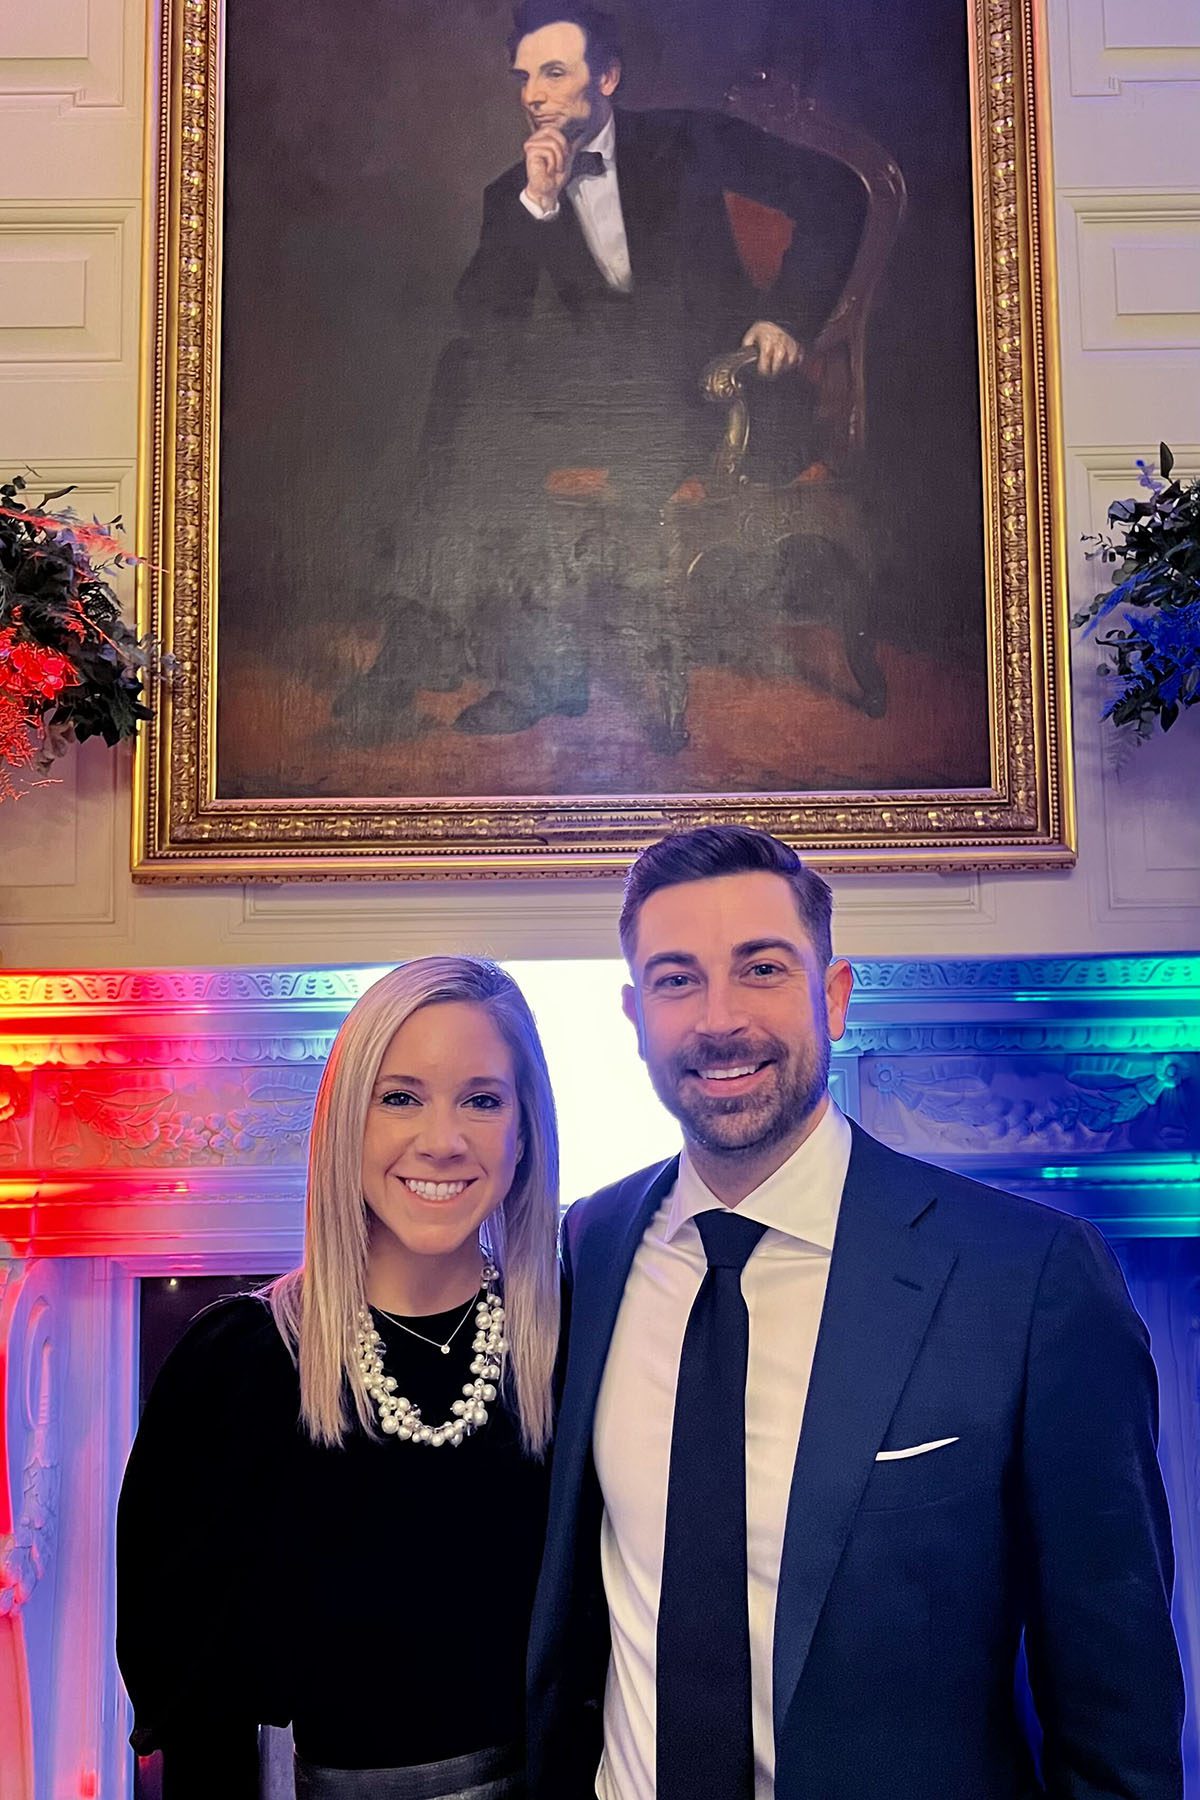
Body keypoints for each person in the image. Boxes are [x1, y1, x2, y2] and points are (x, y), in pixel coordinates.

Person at [527, 825, 1184, 1800]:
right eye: (676, 980)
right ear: (633, 1015)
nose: (719, 1019)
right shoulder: (587, 1248)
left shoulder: (1032, 1279)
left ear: (831, 994)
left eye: (760, 967)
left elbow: (1115, 1713)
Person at [351, 4, 867, 742]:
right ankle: (458, 651)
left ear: (609, 76)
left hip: (723, 392)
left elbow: (837, 194)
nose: (534, 93)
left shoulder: (691, 141)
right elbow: (484, 317)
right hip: (619, 395)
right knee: (467, 374)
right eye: (524, 77)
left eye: (554, 72)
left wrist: (786, 315)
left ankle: (499, 661)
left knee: (493, 424)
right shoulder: (516, 191)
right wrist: (537, 206)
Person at [117, 957, 561, 1800]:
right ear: (344, 1124)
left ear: (525, 1131)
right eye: (399, 1097)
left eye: (482, 1098)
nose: (442, 1138)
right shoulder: (239, 1365)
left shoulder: (574, 1342)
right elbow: (193, 1704)